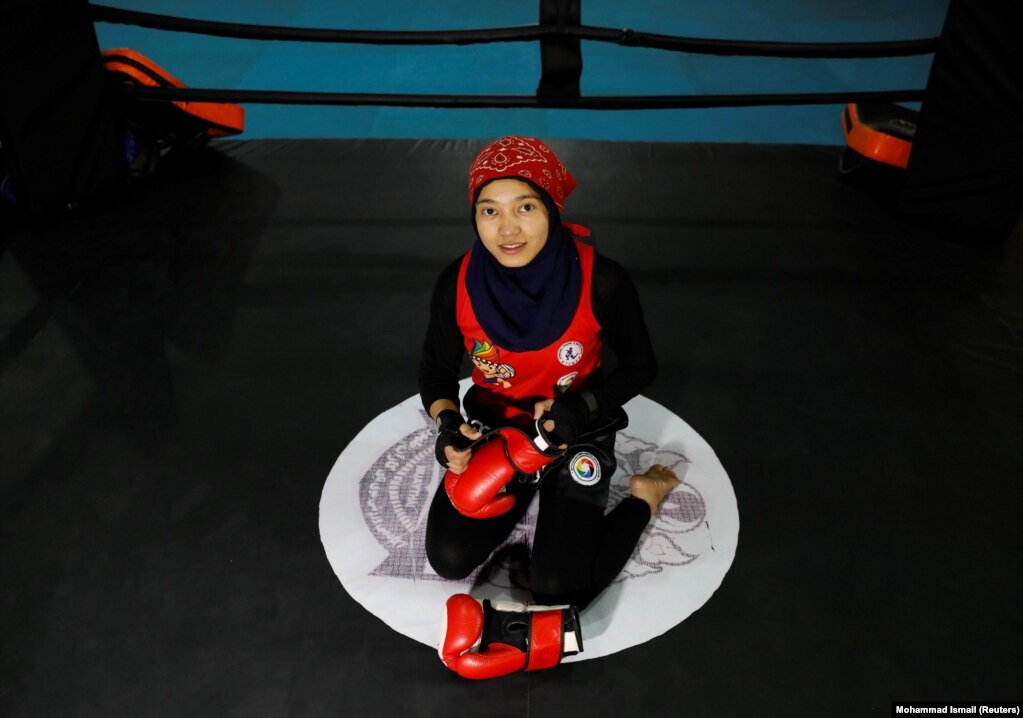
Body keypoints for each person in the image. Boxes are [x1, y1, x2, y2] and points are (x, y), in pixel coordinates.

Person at [419, 135, 679, 617]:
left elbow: (642, 366)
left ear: (553, 209)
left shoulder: (603, 280)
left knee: (560, 589)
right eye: (489, 211)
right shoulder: (456, 282)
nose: (506, 230)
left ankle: (645, 496)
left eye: (525, 207)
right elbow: (435, 373)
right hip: (501, 432)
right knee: (448, 558)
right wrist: (448, 425)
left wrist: (582, 407)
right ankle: (530, 488)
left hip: (578, 430)